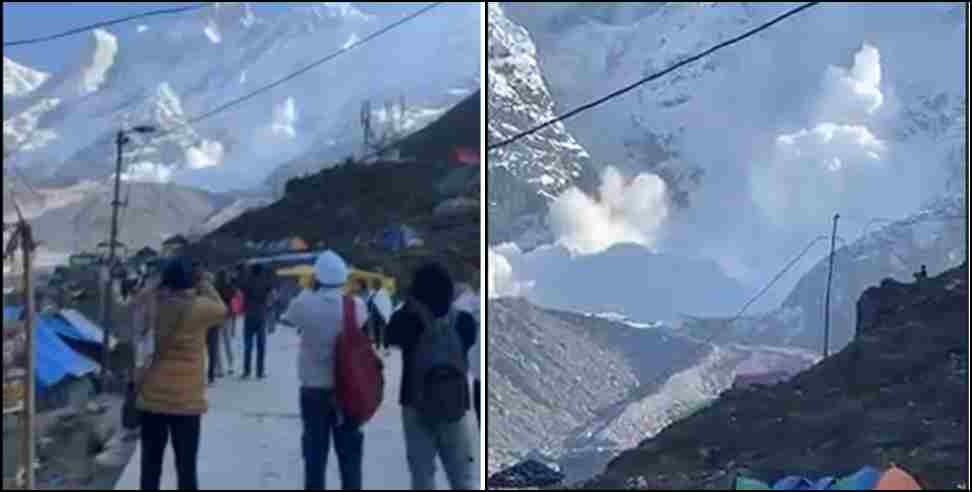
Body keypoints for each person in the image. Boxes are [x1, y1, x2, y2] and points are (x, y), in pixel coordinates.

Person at [137, 256, 228, 490]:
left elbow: (134, 310)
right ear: (190, 281)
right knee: (186, 468)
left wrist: (154, 286)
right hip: (186, 404)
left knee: (150, 467)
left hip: (152, 400)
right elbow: (222, 309)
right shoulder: (200, 308)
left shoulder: (154, 304)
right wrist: (204, 283)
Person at [385, 263, 478, 490]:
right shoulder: (464, 322)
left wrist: (410, 306)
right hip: (455, 406)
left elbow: (389, 336)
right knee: (462, 478)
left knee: (422, 477)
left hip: (415, 405)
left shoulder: (405, 321)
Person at [283, 250, 369, 490]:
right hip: (348, 392)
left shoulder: (304, 303)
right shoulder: (357, 306)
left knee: (315, 459)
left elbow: (290, 315)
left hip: (314, 392)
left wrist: (309, 287)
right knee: (350, 460)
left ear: (317, 277)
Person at [241, 263, 274, 379]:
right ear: (261, 271)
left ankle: (246, 371)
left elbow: (241, 292)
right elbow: (270, 295)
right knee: (261, 345)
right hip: (261, 315)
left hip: (249, 315)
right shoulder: (265, 282)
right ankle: (260, 372)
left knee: (248, 345)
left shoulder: (247, 282)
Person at [215, 271, 237, 376]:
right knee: (227, 341)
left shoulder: (215, 287)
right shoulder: (230, 287)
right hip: (227, 315)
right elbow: (235, 299)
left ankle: (219, 368)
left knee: (217, 343)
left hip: (217, 315)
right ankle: (231, 365)